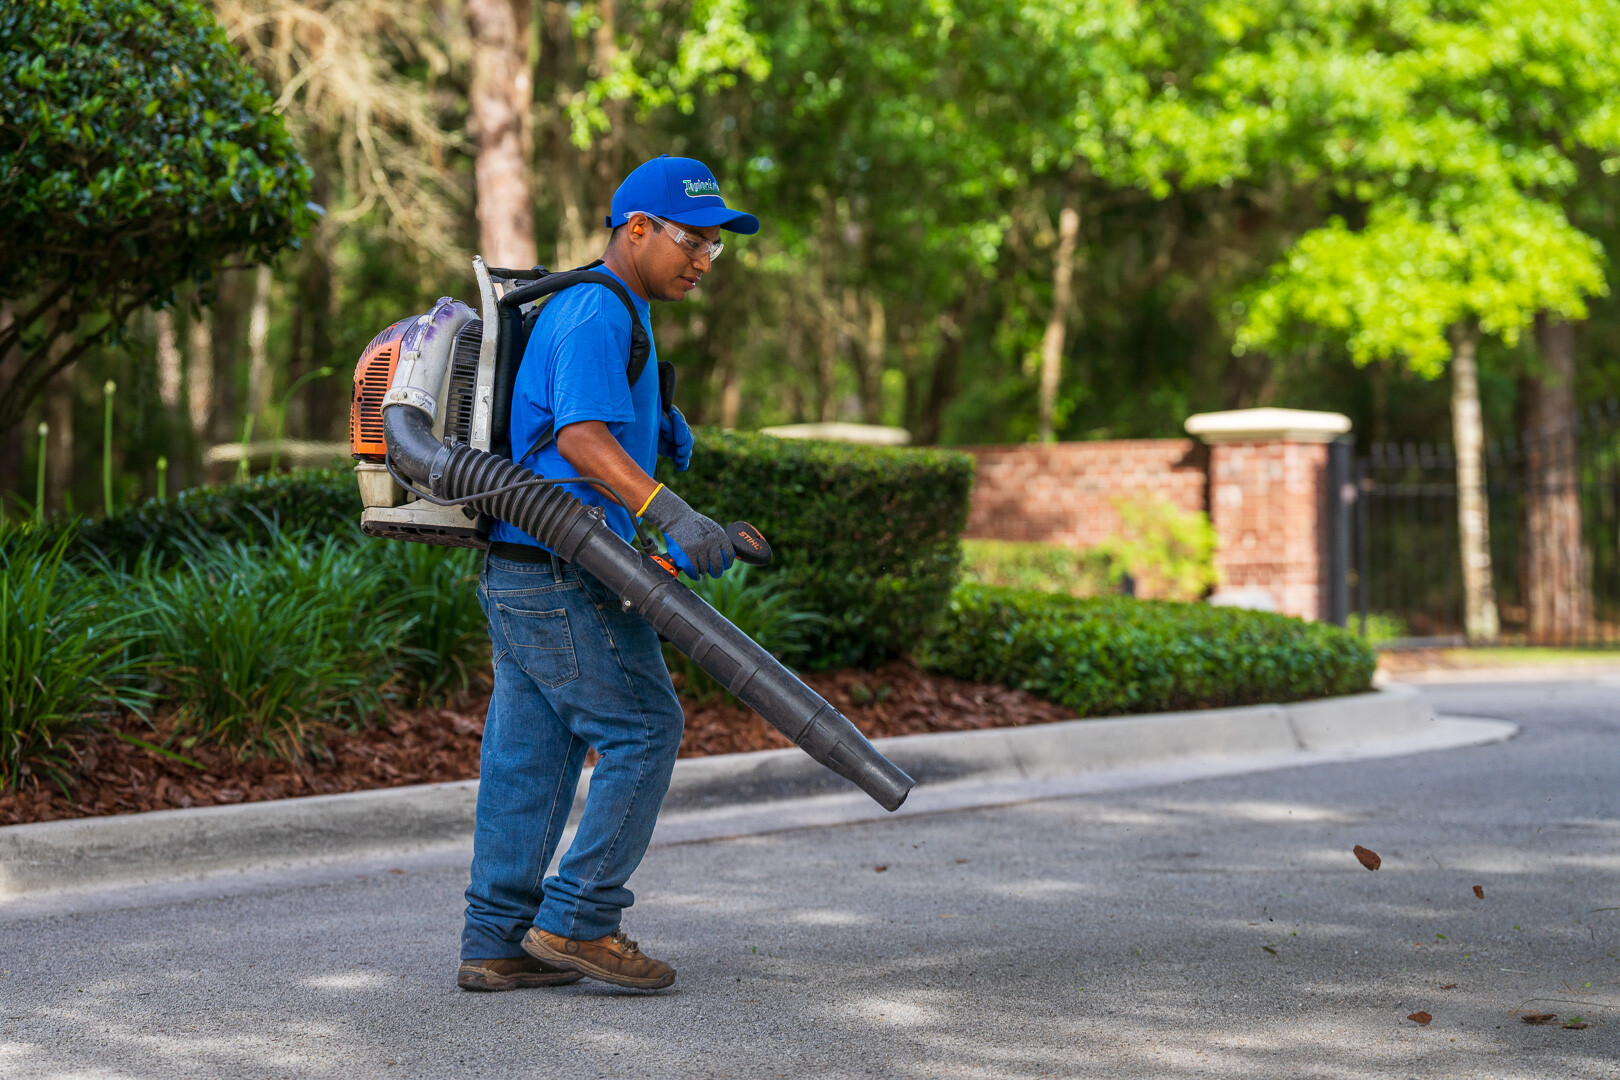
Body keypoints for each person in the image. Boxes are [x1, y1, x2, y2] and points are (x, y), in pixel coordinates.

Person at [456, 156, 758, 993]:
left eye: (715, 248)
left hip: (524, 569)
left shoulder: (610, 307)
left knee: (530, 754)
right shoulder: (595, 307)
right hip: (565, 569)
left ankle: (495, 940)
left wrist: (654, 424)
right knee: (645, 728)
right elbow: (581, 441)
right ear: (636, 229)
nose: (703, 260)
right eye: (693, 240)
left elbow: (582, 431)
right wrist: (671, 511)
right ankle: (581, 921)